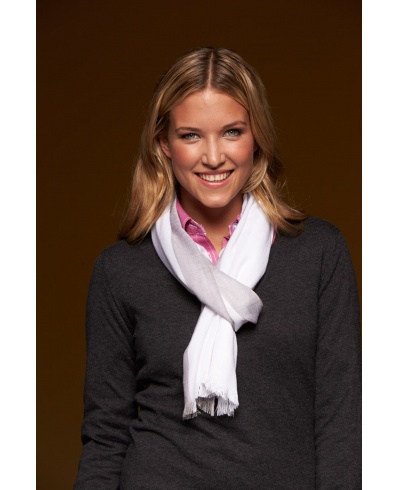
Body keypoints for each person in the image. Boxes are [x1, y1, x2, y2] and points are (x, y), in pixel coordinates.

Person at [74, 47, 361, 489]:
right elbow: (106, 435)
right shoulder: (121, 270)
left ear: (256, 136)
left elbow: (342, 422)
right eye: (190, 135)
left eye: (231, 132)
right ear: (163, 144)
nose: (213, 157)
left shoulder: (319, 252)